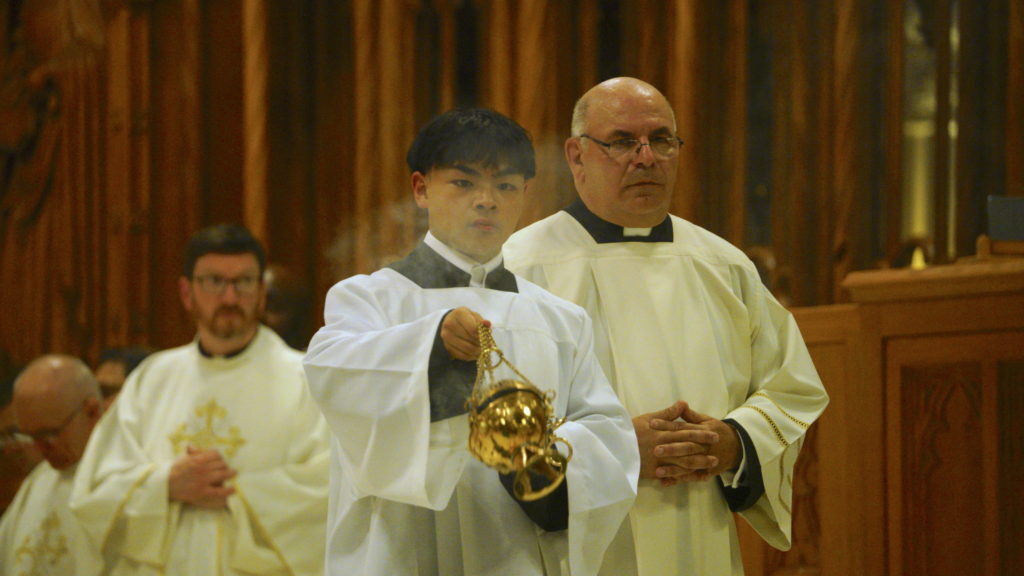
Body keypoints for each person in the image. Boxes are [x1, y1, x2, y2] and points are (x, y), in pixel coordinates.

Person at [503, 77, 830, 575]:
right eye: (620, 142)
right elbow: (486, 423)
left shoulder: (724, 266)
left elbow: (792, 390)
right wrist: (610, 449)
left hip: (698, 539)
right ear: (576, 155)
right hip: (573, 545)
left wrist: (734, 442)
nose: (645, 158)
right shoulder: (518, 270)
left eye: (661, 140)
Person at [303, 107, 639, 576]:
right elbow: (335, 379)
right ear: (421, 189)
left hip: (514, 553)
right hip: (401, 551)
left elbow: (606, 435)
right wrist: (433, 347)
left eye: (504, 185)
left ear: (526, 194)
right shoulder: (368, 299)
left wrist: (533, 459)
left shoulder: (560, 319)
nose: (486, 200)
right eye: (463, 183)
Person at [70, 224, 330, 576]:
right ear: (186, 292)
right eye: (213, 281)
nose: (229, 297)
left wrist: (236, 492)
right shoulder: (152, 379)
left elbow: (327, 489)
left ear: (262, 293)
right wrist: (165, 484)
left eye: (244, 282)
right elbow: (95, 492)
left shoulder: (305, 379)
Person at [0, 355, 105, 575]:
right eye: (28, 436)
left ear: (92, 411)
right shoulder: (40, 480)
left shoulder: (126, 478)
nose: (39, 449)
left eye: (48, 435)